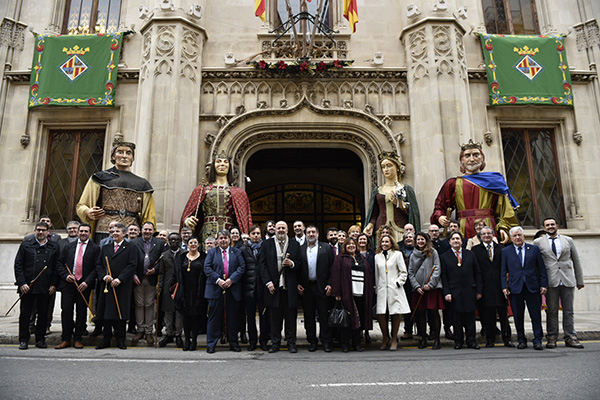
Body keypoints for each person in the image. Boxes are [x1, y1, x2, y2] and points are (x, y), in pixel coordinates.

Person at [431, 139, 519, 243]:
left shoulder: (494, 181)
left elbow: (505, 209)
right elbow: (440, 206)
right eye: (467, 156)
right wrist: (441, 217)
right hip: (463, 228)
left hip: (489, 227)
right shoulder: (453, 183)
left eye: (476, 155)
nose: (472, 159)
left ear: (482, 159)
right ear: (462, 161)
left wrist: (504, 228)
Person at [76, 141, 156, 242]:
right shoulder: (100, 178)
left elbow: (149, 216)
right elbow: (82, 205)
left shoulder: (143, 184)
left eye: (128, 153)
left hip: (131, 233)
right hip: (104, 231)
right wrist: (88, 212)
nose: (124, 156)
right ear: (113, 156)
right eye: (120, 152)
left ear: (133, 158)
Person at [533, 218, 584, 349]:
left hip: (567, 280)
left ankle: (571, 337)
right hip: (550, 281)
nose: (550, 226)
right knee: (551, 311)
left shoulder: (568, 240)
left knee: (569, 311)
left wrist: (580, 280)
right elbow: (536, 264)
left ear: (557, 225)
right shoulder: (538, 242)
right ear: (544, 227)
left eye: (552, 224)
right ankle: (551, 338)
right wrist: (539, 283)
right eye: (547, 225)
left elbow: (576, 260)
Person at [180, 152, 252, 244]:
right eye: (218, 161)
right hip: (207, 233)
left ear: (229, 166)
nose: (222, 164)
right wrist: (187, 220)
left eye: (225, 162)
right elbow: (188, 213)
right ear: (213, 166)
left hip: (229, 233)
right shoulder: (202, 190)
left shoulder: (239, 192)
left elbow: (244, 219)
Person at [14, 222, 60, 350]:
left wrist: (53, 284)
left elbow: (56, 267)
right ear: (35, 230)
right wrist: (22, 283)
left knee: (43, 314)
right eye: (38, 230)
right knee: (25, 314)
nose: (40, 232)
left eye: (43, 230)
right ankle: (23, 340)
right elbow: (18, 265)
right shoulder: (26, 245)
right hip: (27, 286)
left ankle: (40, 339)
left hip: (45, 287)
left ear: (48, 232)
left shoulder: (54, 247)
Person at [502, 226, 548, 350]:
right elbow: (503, 271)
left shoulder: (534, 249)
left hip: (532, 287)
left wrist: (543, 284)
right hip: (515, 288)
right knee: (518, 316)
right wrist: (504, 287)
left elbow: (541, 268)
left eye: (519, 235)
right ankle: (521, 340)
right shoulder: (506, 251)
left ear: (523, 236)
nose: (517, 238)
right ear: (511, 238)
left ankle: (538, 340)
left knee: (535, 315)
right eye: (515, 236)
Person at [258, 221, 302, 353]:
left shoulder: (295, 244)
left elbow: (301, 263)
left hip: (290, 288)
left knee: (291, 317)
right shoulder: (267, 244)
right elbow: (262, 265)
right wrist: (268, 283)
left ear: (288, 230)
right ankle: (275, 343)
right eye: (279, 228)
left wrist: (292, 263)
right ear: (275, 230)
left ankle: (291, 343)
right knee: (275, 317)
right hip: (274, 287)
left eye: (283, 228)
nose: (281, 230)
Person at [55, 223, 100, 349]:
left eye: (86, 231)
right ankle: (66, 338)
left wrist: (87, 282)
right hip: (69, 284)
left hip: (84, 285)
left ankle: (78, 338)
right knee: (67, 311)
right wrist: (65, 276)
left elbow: (97, 268)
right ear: (78, 232)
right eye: (81, 231)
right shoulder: (69, 247)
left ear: (90, 233)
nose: (83, 233)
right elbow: (59, 264)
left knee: (81, 312)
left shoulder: (95, 248)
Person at [95, 223, 137, 350]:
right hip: (107, 285)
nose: (114, 233)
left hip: (122, 286)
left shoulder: (130, 247)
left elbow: (132, 265)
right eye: (113, 231)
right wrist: (104, 276)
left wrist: (120, 279)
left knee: (120, 313)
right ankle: (106, 339)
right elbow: (99, 265)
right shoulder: (105, 247)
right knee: (106, 313)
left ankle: (121, 340)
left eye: (117, 231)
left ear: (124, 233)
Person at [204, 230, 246, 353]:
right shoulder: (212, 252)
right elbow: (207, 268)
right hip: (215, 289)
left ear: (229, 239)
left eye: (225, 238)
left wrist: (231, 280)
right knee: (214, 318)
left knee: (233, 318)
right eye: (220, 238)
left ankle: (233, 343)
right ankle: (211, 343)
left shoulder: (237, 252)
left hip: (232, 289)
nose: (223, 240)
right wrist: (218, 280)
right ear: (217, 240)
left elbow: (242, 267)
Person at [364, 152, 420, 242]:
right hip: (381, 231)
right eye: (383, 167)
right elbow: (374, 213)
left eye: (389, 166)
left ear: (397, 168)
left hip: (400, 230)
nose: (386, 169)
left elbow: (412, 212)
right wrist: (370, 224)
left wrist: (398, 202)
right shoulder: (377, 190)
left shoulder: (406, 189)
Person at [472, 226, 513, 347]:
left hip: (500, 287)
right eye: (483, 234)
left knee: (503, 315)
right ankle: (490, 339)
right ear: (480, 236)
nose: (486, 236)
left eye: (488, 234)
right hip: (485, 287)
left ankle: (507, 338)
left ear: (493, 234)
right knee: (488, 316)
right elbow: (475, 270)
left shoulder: (502, 248)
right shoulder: (475, 250)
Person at [441, 231, 483, 350]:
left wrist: (479, 290)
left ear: (462, 241)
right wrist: (447, 292)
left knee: (470, 318)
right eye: (453, 239)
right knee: (456, 319)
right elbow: (443, 276)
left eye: (458, 239)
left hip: (470, 290)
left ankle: (471, 341)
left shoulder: (470, 254)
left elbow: (477, 272)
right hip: (454, 292)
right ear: (449, 242)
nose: (456, 241)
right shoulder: (444, 257)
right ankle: (458, 341)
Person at [331, 238, 374, 352]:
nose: (351, 246)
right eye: (348, 244)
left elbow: (369, 273)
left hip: (361, 293)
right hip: (347, 293)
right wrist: (337, 293)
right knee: (347, 320)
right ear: (344, 246)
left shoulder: (362, 258)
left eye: (353, 244)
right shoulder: (340, 258)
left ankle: (357, 343)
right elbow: (335, 276)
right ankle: (345, 344)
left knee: (359, 320)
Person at [298, 225, 334, 352]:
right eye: (308, 232)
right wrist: (298, 284)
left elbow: (332, 268)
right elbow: (297, 269)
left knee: (324, 316)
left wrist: (330, 284)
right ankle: (312, 341)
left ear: (318, 234)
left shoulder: (326, 248)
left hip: (322, 287)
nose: (311, 234)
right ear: (305, 234)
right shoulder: (300, 249)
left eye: (313, 232)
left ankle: (326, 341)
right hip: (307, 288)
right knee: (309, 316)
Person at [408, 232, 444, 350]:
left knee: (434, 313)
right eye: (418, 240)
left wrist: (431, 284)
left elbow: (437, 268)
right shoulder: (413, 255)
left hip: (431, 289)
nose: (420, 242)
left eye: (422, 239)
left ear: (426, 240)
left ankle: (437, 340)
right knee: (421, 314)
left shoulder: (433, 252)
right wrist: (417, 286)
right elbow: (411, 273)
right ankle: (423, 338)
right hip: (419, 290)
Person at [374, 235, 410, 351]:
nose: (384, 244)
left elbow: (403, 272)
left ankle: (394, 338)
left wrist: (398, 282)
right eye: (382, 242)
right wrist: (377, 288)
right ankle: (385, 338)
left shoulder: (397, 255)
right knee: (381, 314)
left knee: (395, 313)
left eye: (387, 242)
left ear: (391, 243)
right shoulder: (377, 257)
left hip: (395, 289)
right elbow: (376, 274)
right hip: (382, 289)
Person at [171, 236, 207, 351]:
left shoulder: (204, 257)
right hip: (184, 291)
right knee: (186, 317)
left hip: (198, 291)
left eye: (195, 242)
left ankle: (194, 340)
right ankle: (186, 340)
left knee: (196, 317)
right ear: (187, 244)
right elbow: (176, 273)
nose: (193, 244)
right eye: (191, 242)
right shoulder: (182, 257)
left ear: (198, 245)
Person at [131, 222, 163, 346]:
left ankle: (149, 331)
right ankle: (140, 330)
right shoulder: (134, 243)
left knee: (149, 304)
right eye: (145, 229)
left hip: (151, 278)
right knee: (139, 304)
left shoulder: (159, 243)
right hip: (138, 278)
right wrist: (133, 274)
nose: (147, 232)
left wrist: (155, 270)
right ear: (141, 230)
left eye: (150, 230)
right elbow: (130, 260)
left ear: (153, 230)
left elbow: (163, 259)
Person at [240, 225, 269, 351]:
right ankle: (252, 341)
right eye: (253, 234)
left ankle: (263, 340)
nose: (256, 235)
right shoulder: (243, 249)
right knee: (250, 316)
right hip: (249, 287)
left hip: (263, 286)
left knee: (264, 316)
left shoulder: (266, 247)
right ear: (249, 235)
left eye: (258, 233)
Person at [157, 233, 184, 348]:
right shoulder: (164, 255)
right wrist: (160, 288)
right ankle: (168, 334)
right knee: (168, 311)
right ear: (168, 241)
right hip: (167, 287)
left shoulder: (185, 254)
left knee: (179, 312)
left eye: (176, 240)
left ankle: (178, 334)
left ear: (180, 241)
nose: (174, 242)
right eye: (171, 240)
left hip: (180, 286)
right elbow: (161, 273)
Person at [357, 233, 375, 344]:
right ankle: (359, 331)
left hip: (369, 285)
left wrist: (374, 284)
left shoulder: (372, 254)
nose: (362, 241)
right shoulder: (354, 253)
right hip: (357, 285)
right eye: (360, 239)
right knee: (358, 309)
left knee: (367, 309)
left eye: (364, 239)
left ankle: (367, 332)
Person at [400, 231, 416, 340]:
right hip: (404, 284)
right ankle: (408, 330)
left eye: (411, 237)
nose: (408, 239)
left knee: (418, 308)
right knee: (407, 309)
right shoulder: (400, 251)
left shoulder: (418, 250)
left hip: (417, 283)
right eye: (406, 237)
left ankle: (421, 332)